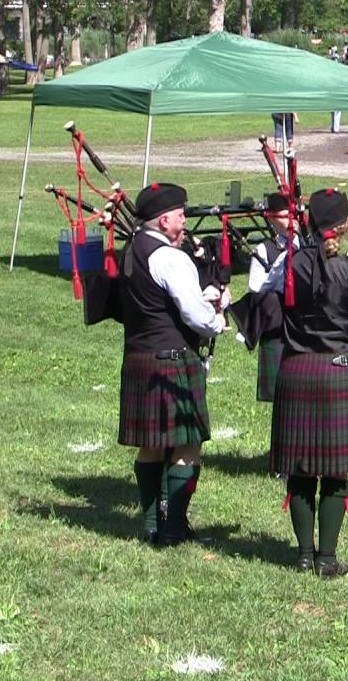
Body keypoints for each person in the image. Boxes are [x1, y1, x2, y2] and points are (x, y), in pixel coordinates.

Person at [259, 189, 348, 578]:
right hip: (338, 371)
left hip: (296, 370)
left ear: (308, 224)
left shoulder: (286, 263)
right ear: (344, 227)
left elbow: (262, 297)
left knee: (299, 469)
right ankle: (326, 558)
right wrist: (346, 338)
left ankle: (302, 554)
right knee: (334, 471)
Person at [119, 183, 228, 547]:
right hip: (172, 360)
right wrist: (218, 318)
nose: (184, 221)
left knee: (150, 444)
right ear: (164, 220)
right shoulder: (170, 258)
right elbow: (194, 315)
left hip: (139, 357)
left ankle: (151, 525)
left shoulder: (131, 249)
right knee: (187, 444)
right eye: (180, 215)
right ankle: (174, 528)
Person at [246, 193, 298, 403]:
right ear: (271, 219)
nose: (291, 221)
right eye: (285, 216)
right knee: (281, 398)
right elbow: (255, 288)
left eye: (293, 215)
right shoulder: (264, 250)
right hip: (278, 327)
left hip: (303, 328)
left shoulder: (308, 245)